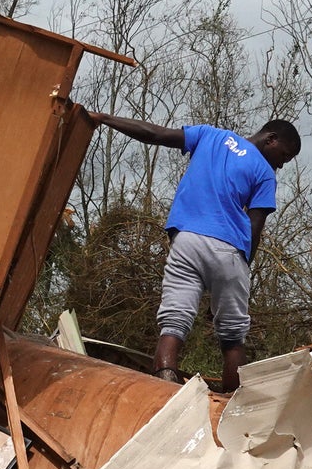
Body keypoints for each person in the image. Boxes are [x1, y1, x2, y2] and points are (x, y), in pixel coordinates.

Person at [87, 111, 300, 393]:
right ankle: (232, 403)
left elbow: (155, 134)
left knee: (174, 320)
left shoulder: (210, 135)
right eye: (283, 157)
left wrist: (102, 118)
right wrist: (236, 278)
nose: (281, 165)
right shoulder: (264, 174)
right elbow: (254, 227)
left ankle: (164, 385)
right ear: (270, 139)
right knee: (233, 336)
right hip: (229, 250)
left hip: (186, 241)